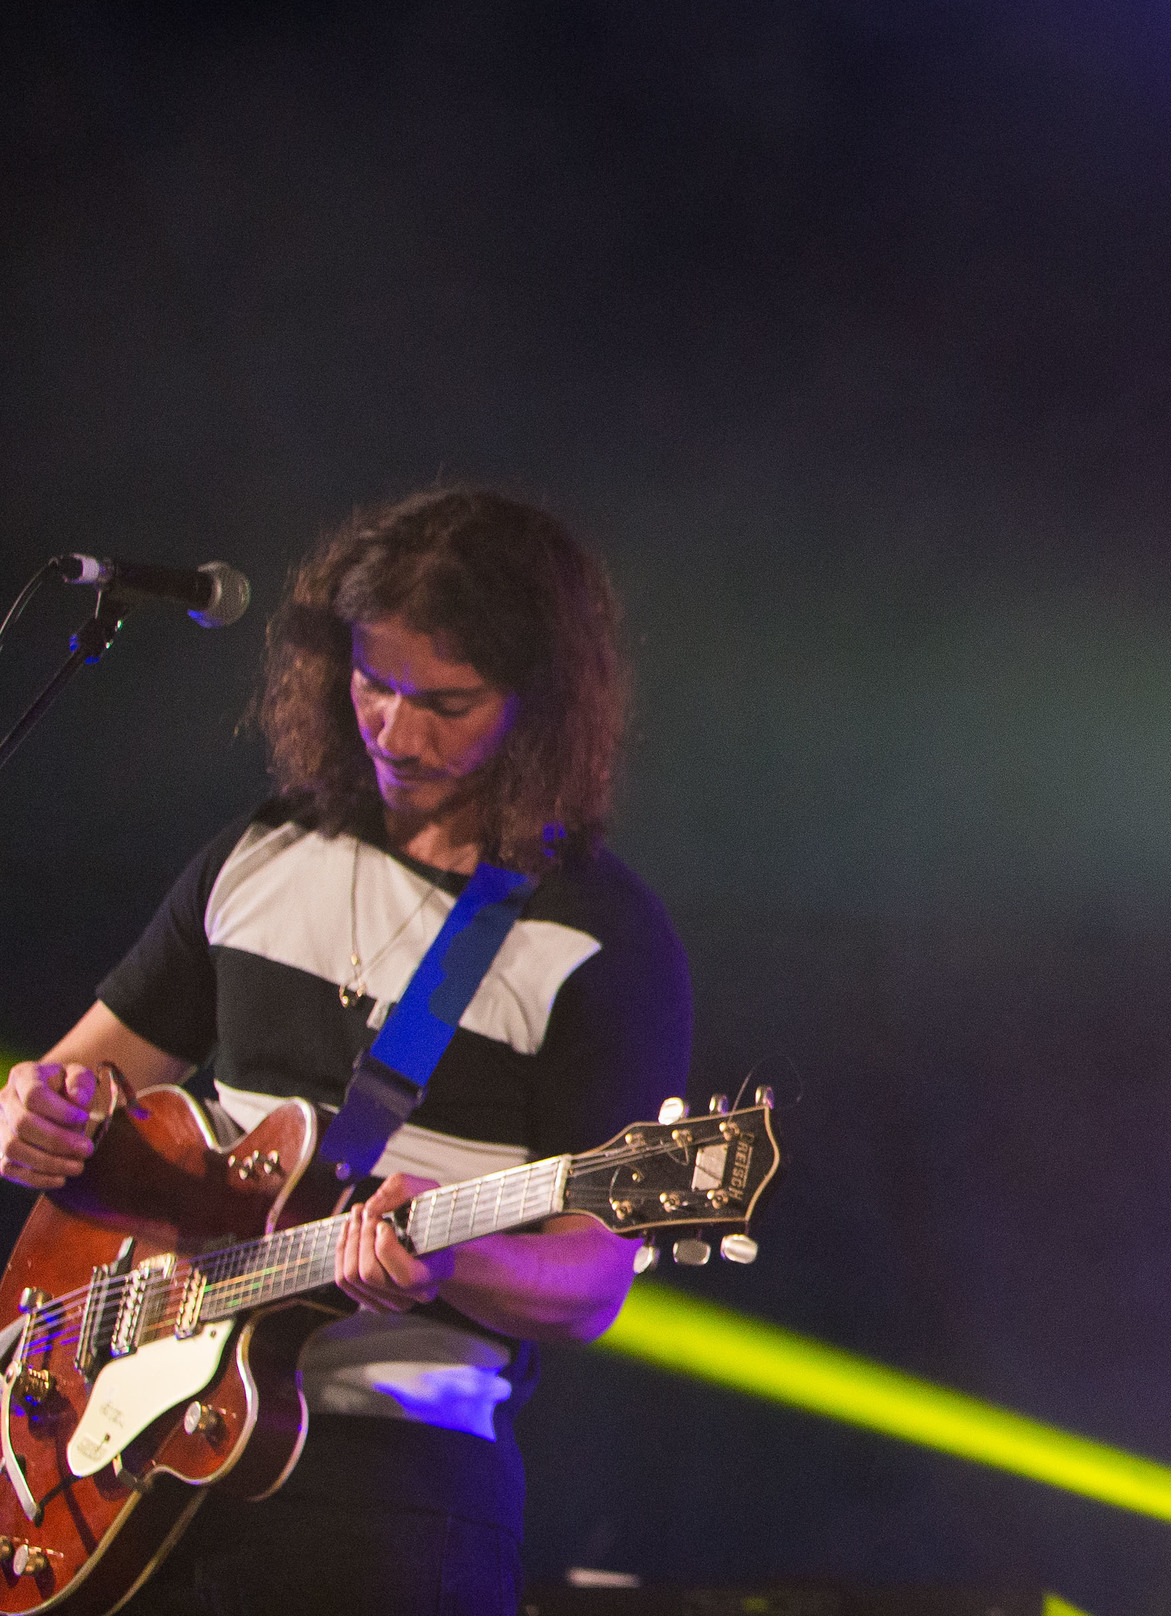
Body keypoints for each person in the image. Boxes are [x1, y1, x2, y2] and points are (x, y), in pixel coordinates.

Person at [0, 486, 690, 1614]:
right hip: (124, 1445)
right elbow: (79, 1083)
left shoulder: (602, 942)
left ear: (541, 706)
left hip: (391, 1480)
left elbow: (589, 1283)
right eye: (376, 683)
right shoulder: (263, 851)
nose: (397, 733)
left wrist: (443, 1259)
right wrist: (30, 1111)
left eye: (449, 703)